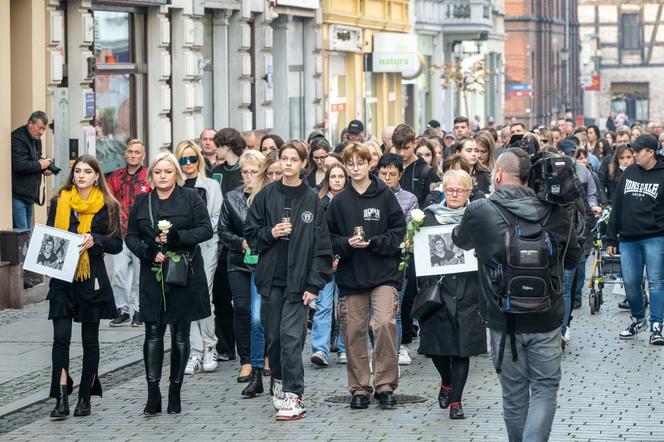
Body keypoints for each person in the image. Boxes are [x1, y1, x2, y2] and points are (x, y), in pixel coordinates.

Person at [452, 148, 580, 442]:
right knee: (545, 389)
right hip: (547, 317)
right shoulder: (556, 210)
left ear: (497, 173)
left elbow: (459, 240)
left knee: (514, 396)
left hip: (502, 317)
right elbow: (572, 258)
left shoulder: (480, 211)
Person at [244, 140, 333, 420]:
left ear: (303, 164)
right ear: (279, 162)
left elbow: (322, 248)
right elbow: (251, 233)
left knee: (292, 338)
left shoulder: (312, 200)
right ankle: (279, 383)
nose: (288, 163)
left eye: (294, 159)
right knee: (274, 338)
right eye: (284, 158)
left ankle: (295, 395)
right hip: (271, 280)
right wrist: (271, 233)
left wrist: (313, 285)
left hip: (299, 282)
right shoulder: (266, 196)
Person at [125, 152, 213, 416]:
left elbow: (205, 229)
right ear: (151, 175)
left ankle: (175, 390)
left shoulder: (191, 197)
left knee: (179, 334)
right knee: (152, 332)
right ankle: (153, 392)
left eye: (168, 171)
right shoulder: (142, 201)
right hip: (152, 274)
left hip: (183, 273)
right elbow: (130, 236)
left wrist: (177, 237)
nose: (162, 176)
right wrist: (147, 251)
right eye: (158, 172)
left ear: (176, 174)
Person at [327, 142, 406, 410]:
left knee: (384, 323)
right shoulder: (338, 202)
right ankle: (359, 387)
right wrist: (345, 244)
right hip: (351, 275)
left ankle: (385, 385)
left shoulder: (384, 195)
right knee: (353, 331)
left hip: (383, 272)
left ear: (369, 164)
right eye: (350, 163)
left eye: (360, 162)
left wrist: (374, 242)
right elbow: (327, 238)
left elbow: (398, 230)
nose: (355, 167)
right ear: (345, 166)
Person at [46, 154, 123, 419]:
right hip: (62, 279)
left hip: (92, 279)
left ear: (96, 176)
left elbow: (117, 244)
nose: (81, 175)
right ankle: (61, 395)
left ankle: (84, 396)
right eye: (77, 171)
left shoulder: (108, 205)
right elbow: (49, 237)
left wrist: (96, 239)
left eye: (87, 171)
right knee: (61, 339)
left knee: (90, 341)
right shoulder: (60, 201)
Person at [420, 169, 486, 419]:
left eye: (460, 190)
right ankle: (446, 381)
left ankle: (456, 402)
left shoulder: (478, 216)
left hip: (470, 290)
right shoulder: (428, 217)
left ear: (469, 192)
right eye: (449, 190)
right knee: (436, 347)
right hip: (438, 290)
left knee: (462, 348)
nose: (454, 194)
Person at [606, 134, 664, 345]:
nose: (634, 155)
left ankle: (657, 325)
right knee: (630, 283)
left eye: (638, 151)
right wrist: (610, 238)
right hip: (628, 238)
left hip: (655, 237)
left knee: (657, 282)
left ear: (651, 152)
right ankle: (639, 320)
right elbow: (617, 205)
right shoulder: (630, 171)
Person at [174, 141, 223, 375]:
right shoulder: (175, 186)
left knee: (206, 296)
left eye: (192, 158)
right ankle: (195, 350)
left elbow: (216, 218)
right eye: (183, 160)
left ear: (199, 159)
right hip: (182, 249)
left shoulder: (211, 186)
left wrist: (196, 233)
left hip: (205, 245)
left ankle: (209, 346)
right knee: (188, 299)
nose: (188, 164)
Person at [219, 150, 265, 388]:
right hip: (238, 261)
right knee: (242, 309)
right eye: (245, 172)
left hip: (264, 261)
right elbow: (223, 230)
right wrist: (240, 242)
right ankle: (246, 359)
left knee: (262, 312)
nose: (249, 177)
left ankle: (265, 356)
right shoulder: (231, 197)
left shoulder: (268, 195)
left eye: (254, 172)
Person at [376, 153, 418, 361]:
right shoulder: (371, 196)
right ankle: (378, 353)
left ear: (400, 175)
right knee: (374, 315)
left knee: (395, 309)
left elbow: (409, 229)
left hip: (398, 259)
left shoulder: (409, 199)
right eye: (384, 173)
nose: (387, 177)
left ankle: (395, 353)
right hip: (374, 258)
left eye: (392, 174)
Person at [106, 139, 151, 327]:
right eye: (130, 152)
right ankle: (122, 309)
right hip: (121, 233)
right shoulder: (116, 176)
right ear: (125, 154)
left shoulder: (149, 176)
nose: (133, 155)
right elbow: (108, 200)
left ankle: (140, 311)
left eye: (137, 152)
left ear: (143, 155)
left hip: (142, 235)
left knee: (141, 277)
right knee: (118, 273)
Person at [310, 163, 350, 367]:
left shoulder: (351, 201)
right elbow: (318, 234)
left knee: (345, 307)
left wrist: (340, 255)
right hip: (324, 261)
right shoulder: (319, 202)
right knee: (323, 306)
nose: (336, 180)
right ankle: (320, 349)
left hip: (347, 259)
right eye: (332, 176)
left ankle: (344, 347)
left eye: (340, 176)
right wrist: (328, 257)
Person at [211, 127, 245, 361]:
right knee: (221, 296)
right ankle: (225, 345)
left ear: (226, 145)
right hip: (221, 241)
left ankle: (244, 342)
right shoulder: (217, 172)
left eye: (218, 145)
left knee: (241, 299)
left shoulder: (245, 169)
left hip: (241, 237)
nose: (215, 149)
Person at [12, 111, 54, 230]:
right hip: (18, 196)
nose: (41, 132)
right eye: (40, 128)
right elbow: (20, 165)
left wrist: (44, 169)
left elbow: (34, 161)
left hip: (29, 196)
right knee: (22, 236)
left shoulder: (36, 138)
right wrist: (40, 165)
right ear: (30, 123)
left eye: (44, 129)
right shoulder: (17, 138)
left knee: (27, 233)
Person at [212, 128, 245, 196]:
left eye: (218, 145)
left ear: (227, 146)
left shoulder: (246, 170)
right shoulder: (216, 171)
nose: (214, 148)